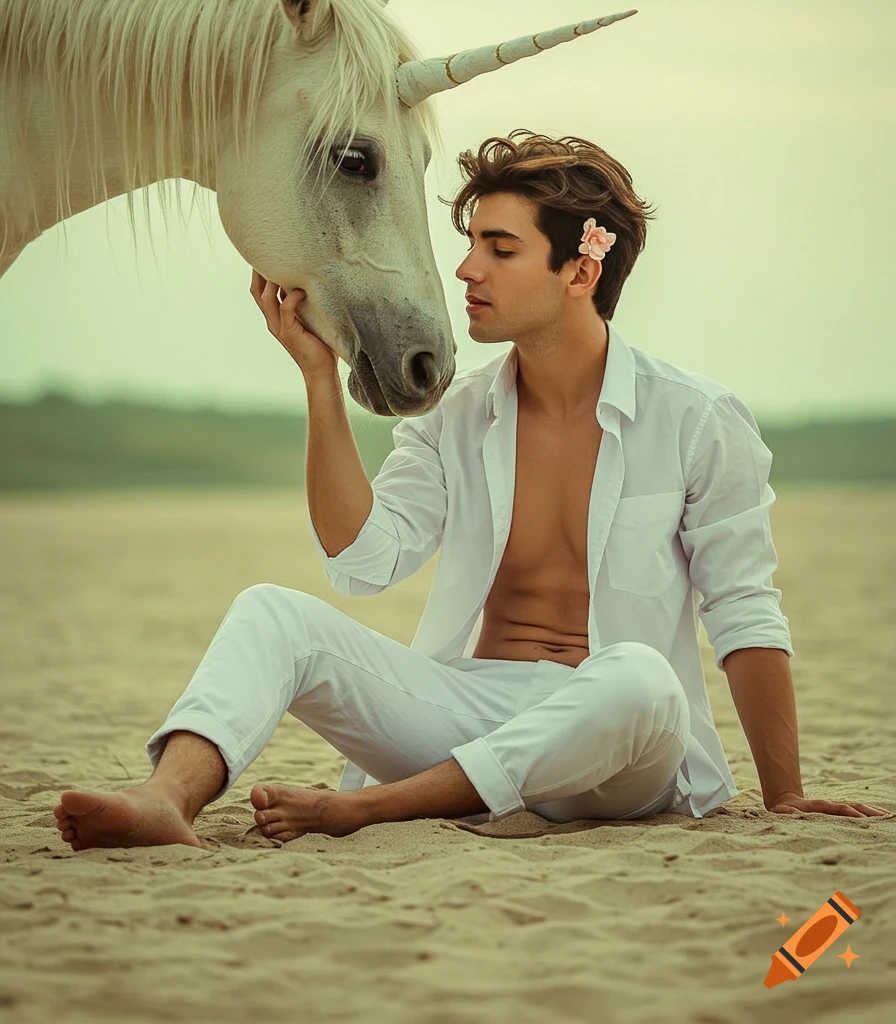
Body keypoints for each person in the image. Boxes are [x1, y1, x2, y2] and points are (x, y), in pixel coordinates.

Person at [53, 130, 892, 850]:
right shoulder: (458, 414)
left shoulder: (698, 419)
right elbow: (363, 559)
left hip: (615, 748)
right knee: (273, 610)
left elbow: (743, 608)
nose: (464, 270)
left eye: (500, 247)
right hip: (466, 713)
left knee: (638, 673)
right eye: (472, 244)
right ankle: (168, 798)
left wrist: (785, 793)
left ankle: (367, 811)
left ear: (580, 269)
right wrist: (319, 378)